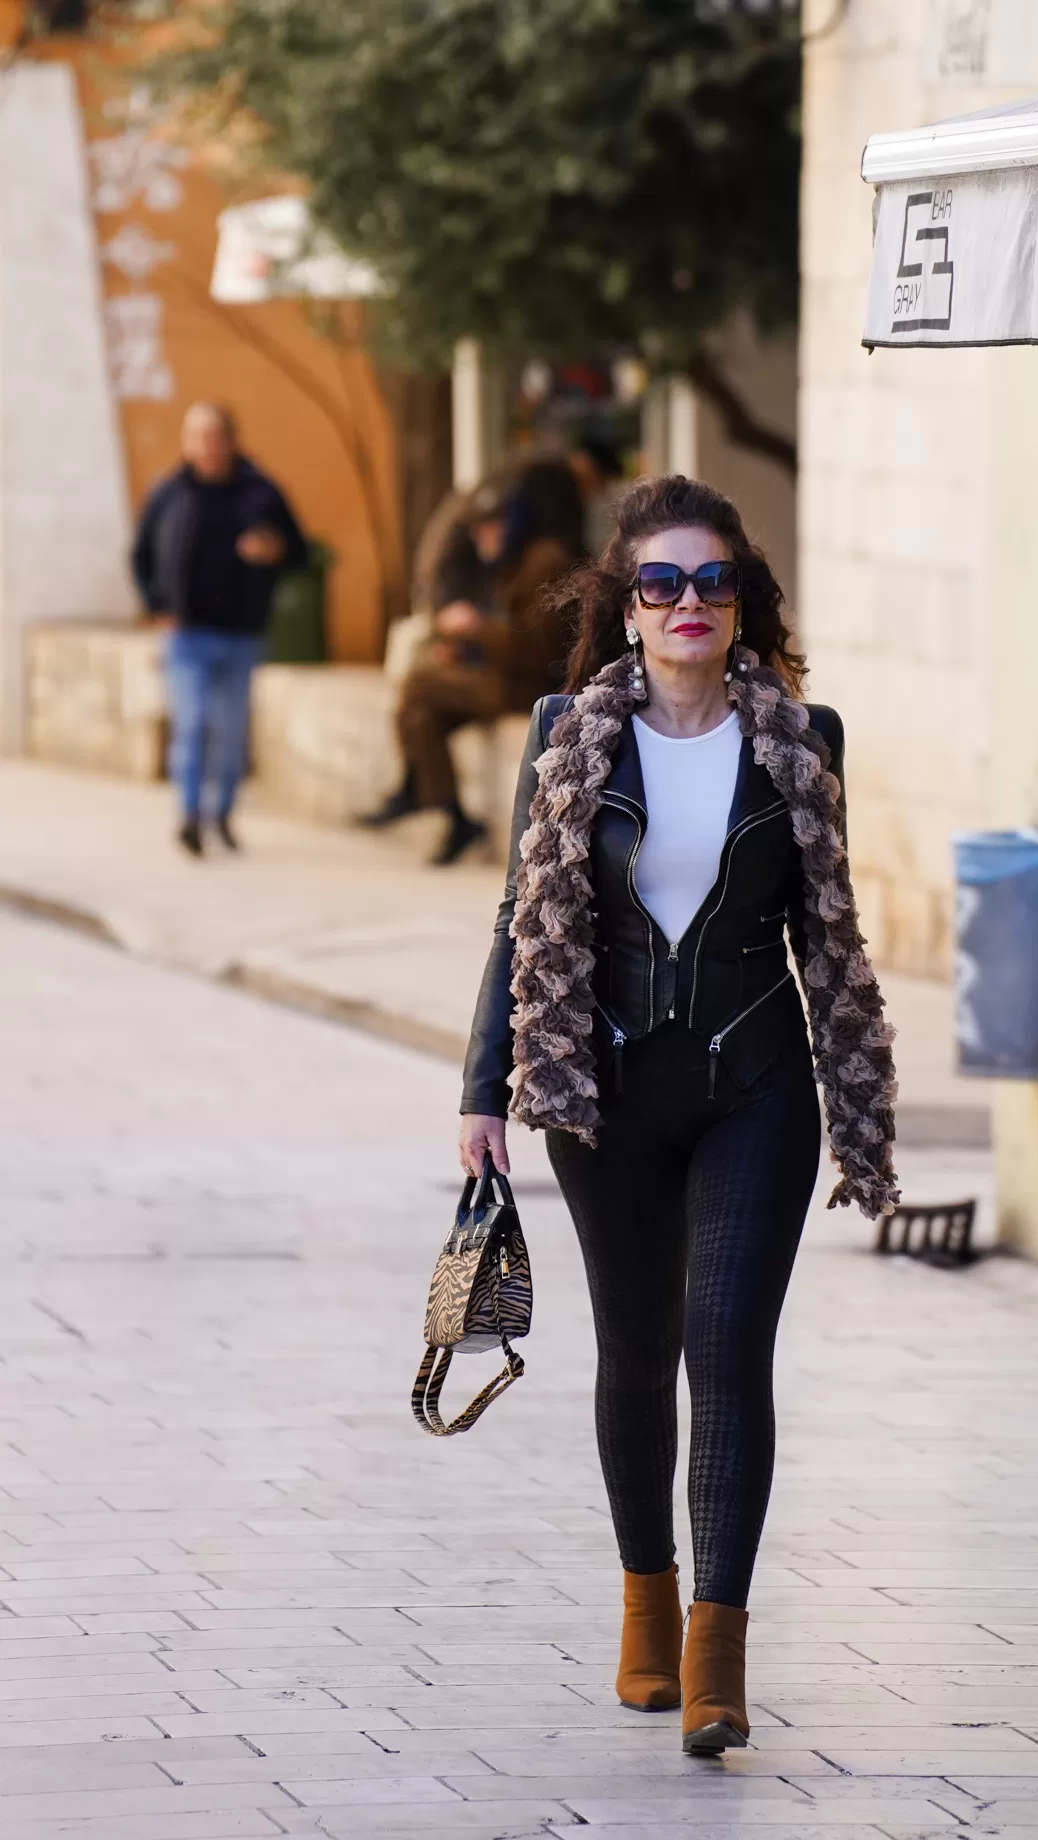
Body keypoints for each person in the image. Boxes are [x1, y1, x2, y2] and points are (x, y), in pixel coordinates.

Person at [458, 475, 899, 1755]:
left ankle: (717, 1658)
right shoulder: (568, 733)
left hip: (755, 1085)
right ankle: (645, 1608)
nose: (688, 601)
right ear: (629, 607)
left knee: (727, 1348)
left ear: (742, 601)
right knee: (638, 1354)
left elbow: (825, 929)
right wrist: (483, 1088)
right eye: (662, 582)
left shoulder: (801, 738)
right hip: (602, 1093)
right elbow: (520, 914)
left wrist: (857, 1083)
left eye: (712, 580)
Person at [363, 470, 585, 864]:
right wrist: (464, 650)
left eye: (489, 526)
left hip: (534, 687)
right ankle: (454, 816)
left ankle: (414, 789)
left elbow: (536, 650)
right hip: (507, 678)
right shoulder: (513, 562)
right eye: (477, 529)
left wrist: (473, 627)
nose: (480, 536)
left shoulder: (545, 562)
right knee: (421, 715)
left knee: (418, 683)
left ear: (514, 522)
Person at [132, 404, 306, 857]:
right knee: (190, 724)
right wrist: (156, 604)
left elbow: (299, 551)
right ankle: (190, 816)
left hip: (240, 634)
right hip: (186, 633)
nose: (206, 446)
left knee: (229, 733)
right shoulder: (169, 492)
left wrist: (273, 550)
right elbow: (140, 553)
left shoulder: (261, 492)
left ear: (230, 440)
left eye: (213, 436)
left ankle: (222, 813)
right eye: (197, 436)